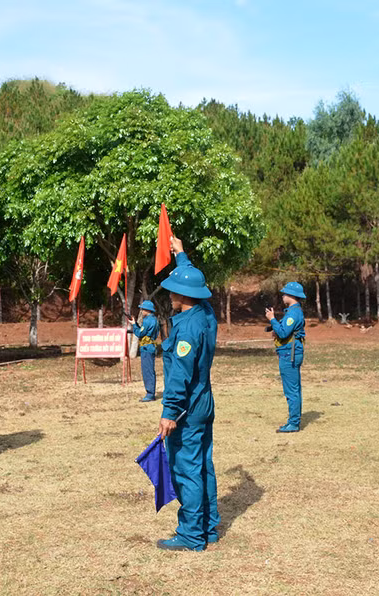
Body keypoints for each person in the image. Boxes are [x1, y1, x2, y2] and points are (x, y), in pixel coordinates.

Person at [156, 235, 219, 552]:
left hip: (187, 409)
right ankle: (208, 527)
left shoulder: (186, 330)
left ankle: (192, 535)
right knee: (204, 466)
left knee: (186, 470)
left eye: (172, 290)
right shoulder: (205, 313)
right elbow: (196, 283)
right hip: (203, 403)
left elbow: (179, 376)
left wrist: (169, 412)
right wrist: (181, 255)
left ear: (183, 295)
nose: (169, 295)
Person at [265, 282, 307, 433]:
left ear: (291, 295)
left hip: (289, 354)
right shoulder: (293, 312)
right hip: (290, 352)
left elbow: (283, 333)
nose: (283, 296)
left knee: (291, 390)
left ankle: (293, 423)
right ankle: (294, 420)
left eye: (285, 293)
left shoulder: (293, 313)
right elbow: (284, 330)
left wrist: (272, 319)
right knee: (294, 388)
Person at [128, 300, 160, 402]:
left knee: (147, 371)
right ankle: (151, 393)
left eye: (143, 309)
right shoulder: (154, 320)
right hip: (151, 346)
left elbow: (140, 333)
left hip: (146, 348)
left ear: (147, 310)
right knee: (150, 370)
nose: (141, 311)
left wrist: (134, 325)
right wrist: (136, 325)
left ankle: (150, 394)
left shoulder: (147, 320)